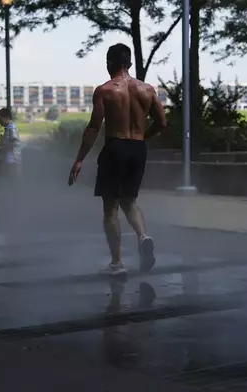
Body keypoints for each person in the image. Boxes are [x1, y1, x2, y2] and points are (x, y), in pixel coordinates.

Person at [67, 43, 168, 276]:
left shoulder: (105, 91)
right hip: (137, 148)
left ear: (109, 64)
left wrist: (80, 159)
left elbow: (93, 127)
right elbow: (162, 123)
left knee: (110, 207)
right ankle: (143, 236)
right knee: (129, 201)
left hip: (115, 147)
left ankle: (117, 263)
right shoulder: (148, 90)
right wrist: (143, 137)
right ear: (130, 63)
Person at [0, 108, 22, 178]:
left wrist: (4, 147)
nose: (0, 123)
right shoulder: (8, 128)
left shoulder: (11, 129)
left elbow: (15, 142)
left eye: (1, 120)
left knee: (13, 176)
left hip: (13, 158)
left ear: (7, 118)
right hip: (10, 157)